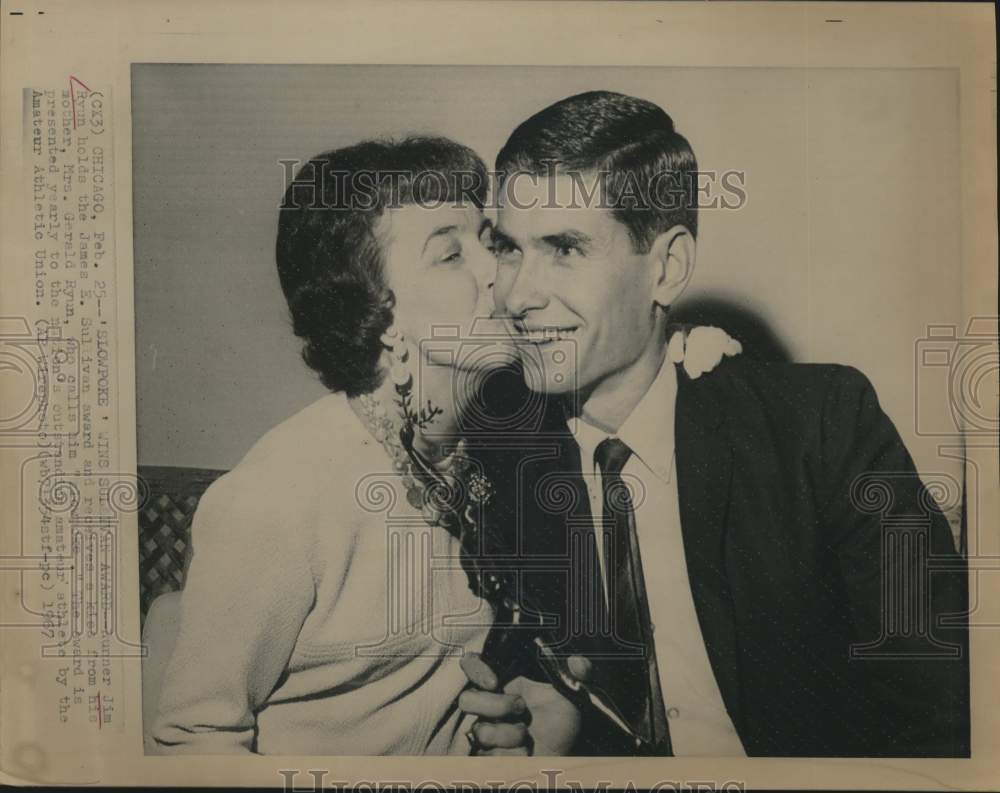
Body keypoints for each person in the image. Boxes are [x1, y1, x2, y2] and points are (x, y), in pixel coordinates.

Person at [147, 133, 739, 755]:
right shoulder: (281, 496)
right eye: (449, 256)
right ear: (380, 315)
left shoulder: (489, 452)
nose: (500, 271)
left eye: (488, 241)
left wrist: (674, 347)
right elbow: (193, 743)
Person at [465, 91, 969, 757]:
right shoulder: (501, 450)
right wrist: (558, 725)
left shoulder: (821, 426)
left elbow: (947, 712)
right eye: (508, 248)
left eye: (563, 248)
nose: (518, 294)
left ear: (667, 267)